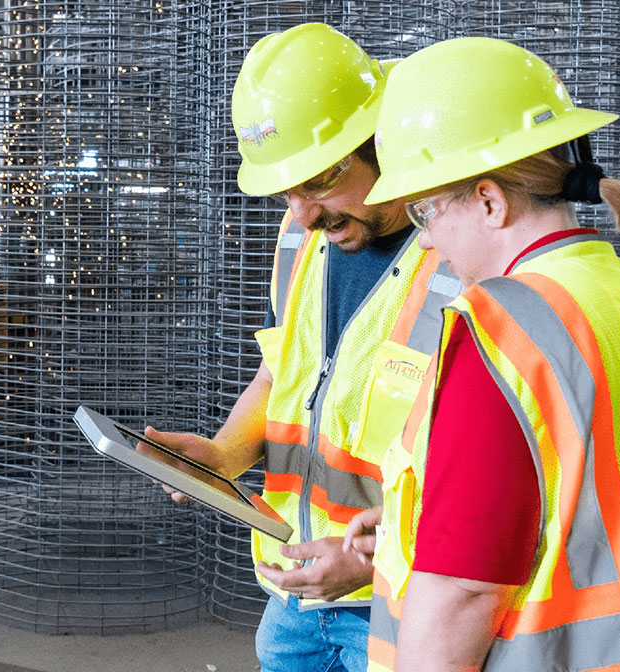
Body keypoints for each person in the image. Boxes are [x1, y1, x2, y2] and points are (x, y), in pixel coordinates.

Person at [343, 37, 620, 671]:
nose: (424, 241)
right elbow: (590, 502)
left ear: (489, 200)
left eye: (426, 211)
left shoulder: (502, 325)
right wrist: (414, 526)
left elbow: (465, 589)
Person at [138, 23, 461, 672]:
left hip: (406, 604)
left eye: (316, 183)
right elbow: (277, 378)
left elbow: (490, 466)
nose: (302, 212)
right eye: (289, 189)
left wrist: (373, 560)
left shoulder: (463, 257)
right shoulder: (302, 235)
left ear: (382, 143)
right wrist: (224, 453)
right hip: (296, 591)